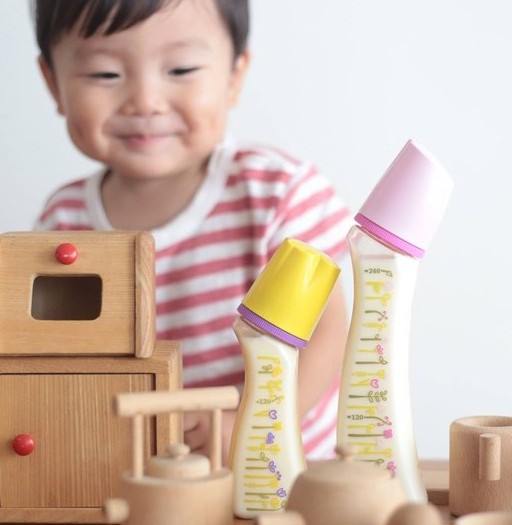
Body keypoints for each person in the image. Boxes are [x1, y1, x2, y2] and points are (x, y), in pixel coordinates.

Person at [32, 0, 352, 461]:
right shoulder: (62, 223)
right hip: (141, 470)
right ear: (53, 84)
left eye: (180, 69)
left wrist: (255, 422)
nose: (145, 101)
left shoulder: (276, 190)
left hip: (283, 466)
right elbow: (54, 359)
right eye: (105, 74)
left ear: (234, 76)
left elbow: (329, 333)